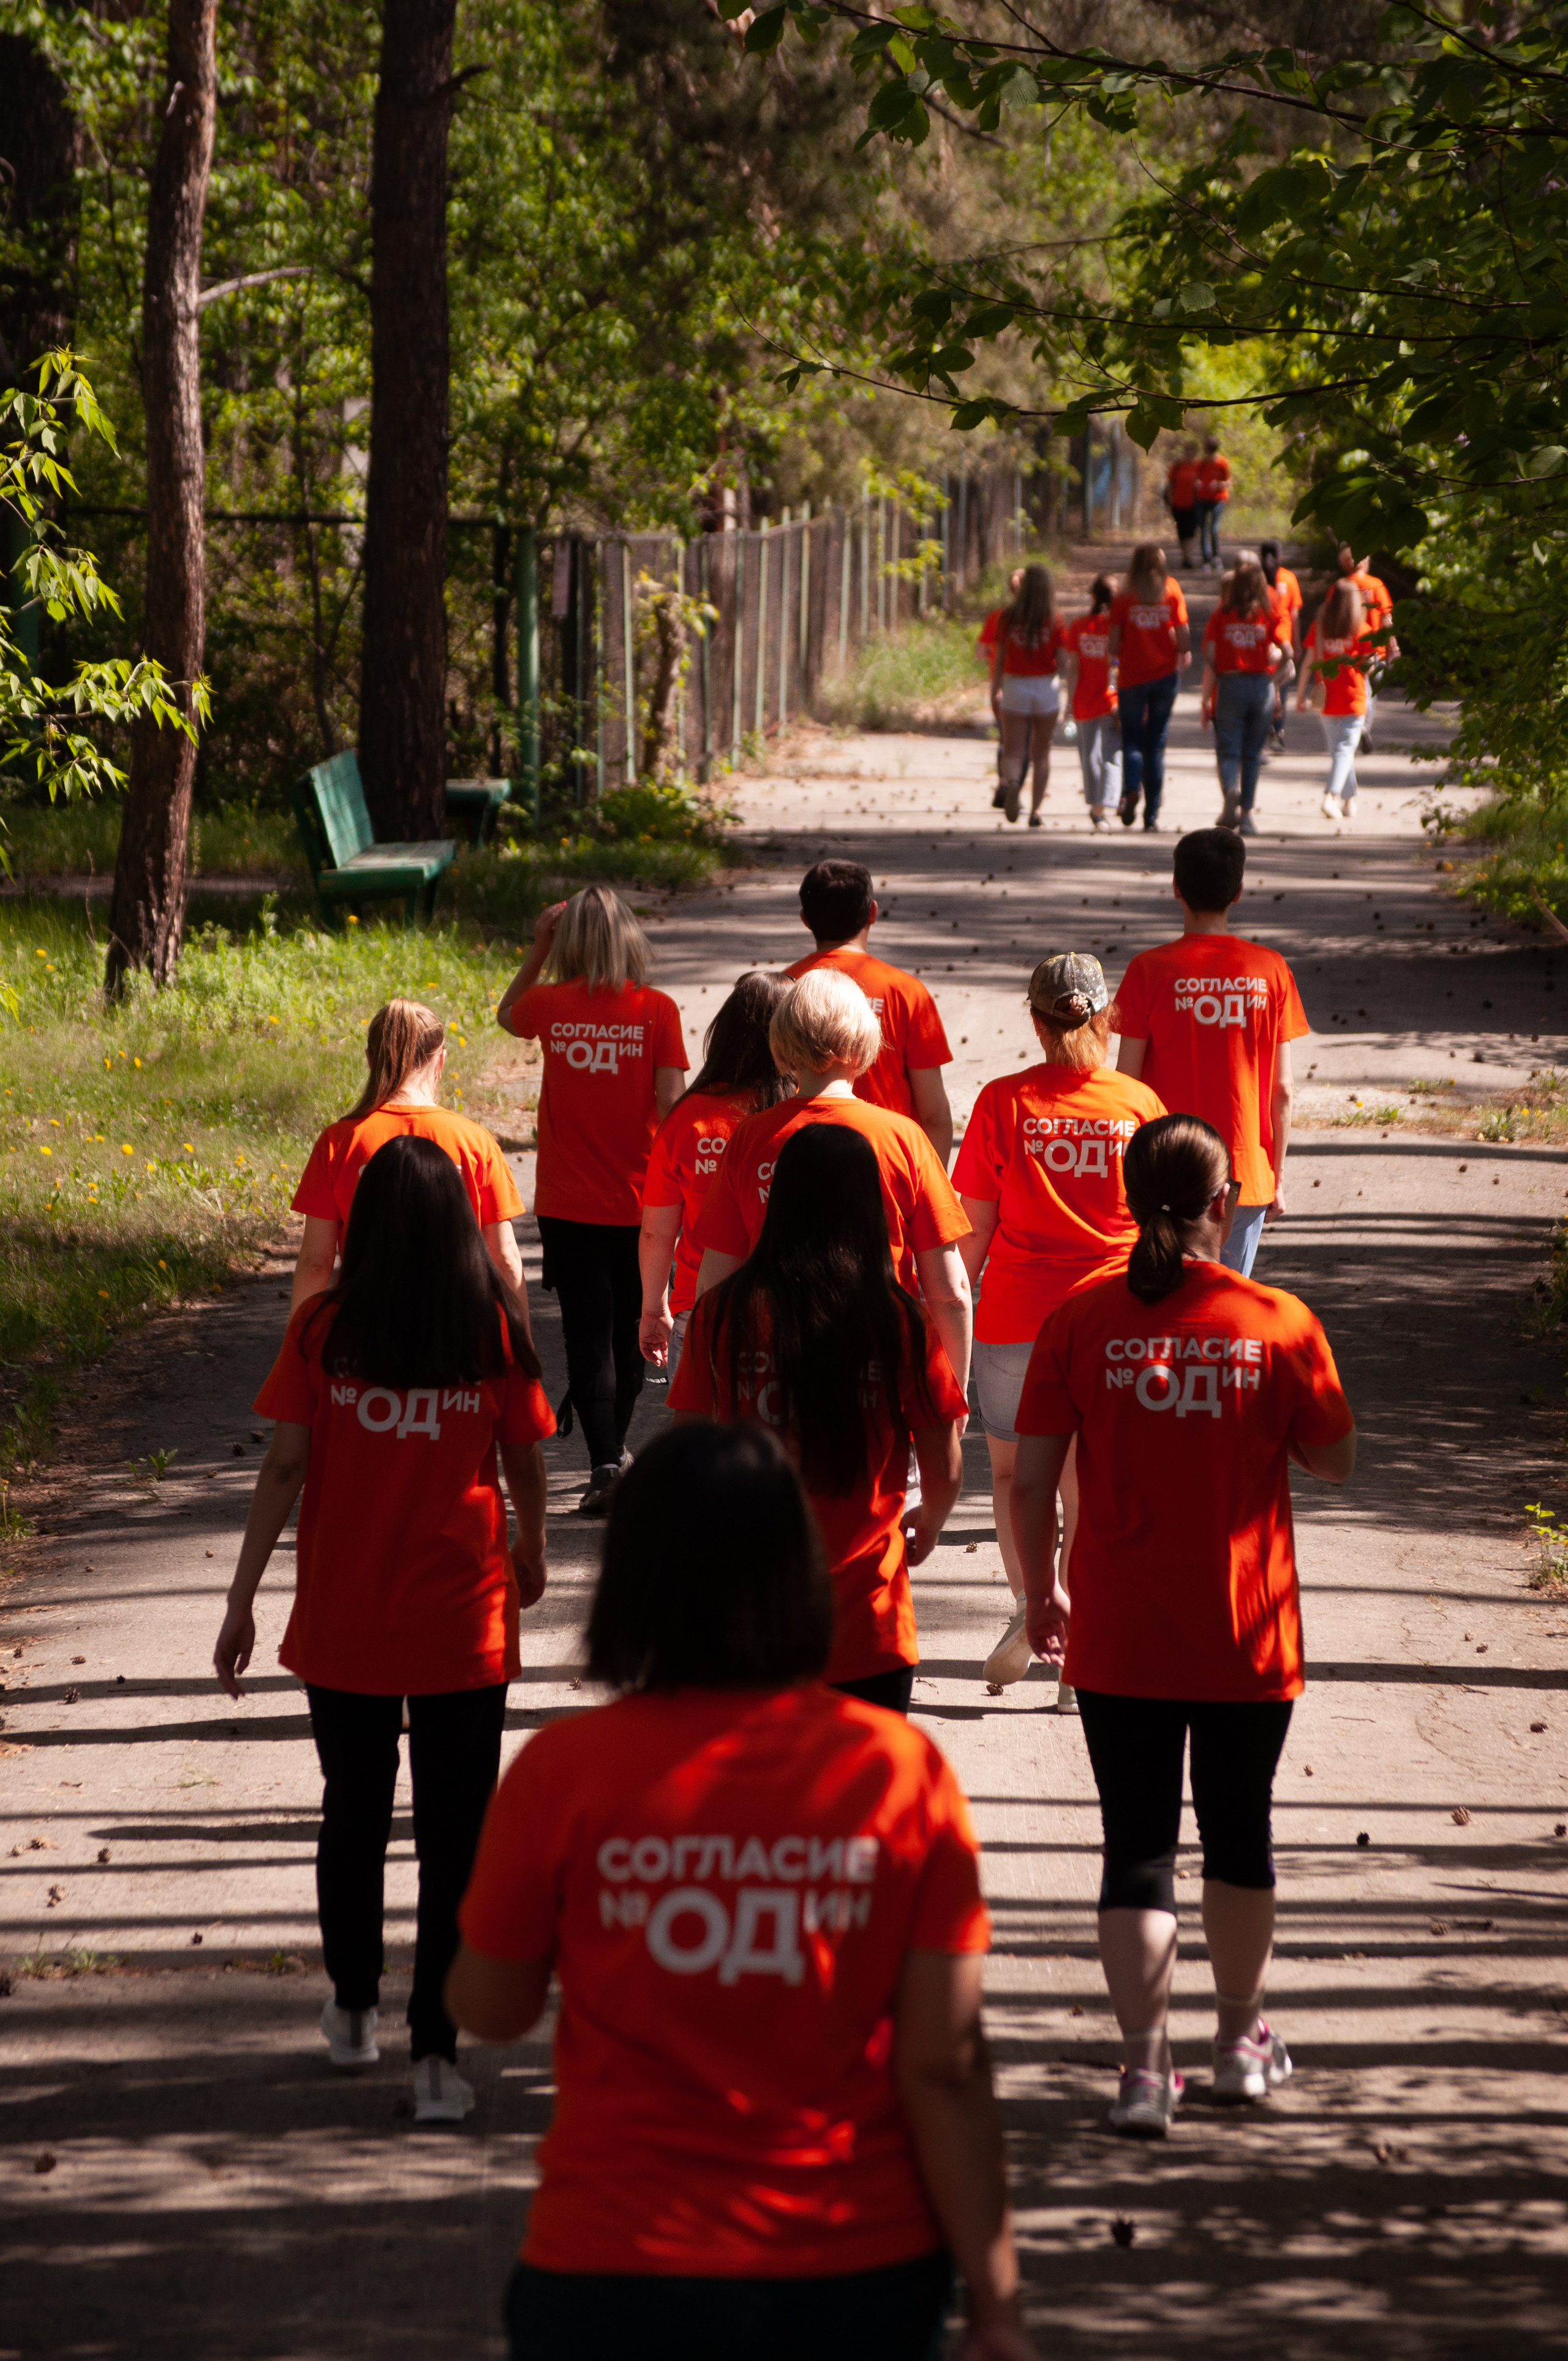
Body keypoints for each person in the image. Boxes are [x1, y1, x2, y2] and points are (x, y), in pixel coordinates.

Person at [448, 1424, 1036, 2361]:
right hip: (855, 2271)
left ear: (629, 1580)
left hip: (613, 2269)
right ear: (797, 1572)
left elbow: (490, 2006)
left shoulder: (564, 1771)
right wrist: (997, 2306)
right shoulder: (897, 1771)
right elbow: (946, 2065)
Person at [1009, 1114, 1355, 2138]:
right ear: (1223, 1203)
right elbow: (1336, 1459)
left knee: (1138, 1844)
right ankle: (1240, 2042)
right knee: (1240, 1830)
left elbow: (1030, 1480)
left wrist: (1040, 1590)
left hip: (1120, 1630)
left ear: (1127, 1199)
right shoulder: (1277, 1317)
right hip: (1247, 1627)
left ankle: (1142, 2069)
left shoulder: (1079, 1319)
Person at [213, 1136, 552, 2123]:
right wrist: (531, 1545)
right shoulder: (492, 1328)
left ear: (363, 1227)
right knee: (456, 1837)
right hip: (463, 1622)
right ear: (457, 1224)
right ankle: (437, 2056)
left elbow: (285, 1464)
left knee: (353, 1813)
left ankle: (356, 2006)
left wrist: (241, 1597)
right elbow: (525, 1458)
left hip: (347, 1617)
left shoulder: (324, 1328)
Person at [671, 1125, 966, 1712]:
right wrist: (930, 1522)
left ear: (779, 1200)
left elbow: (687, 1454)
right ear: (870, 1207)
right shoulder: (902, 1323)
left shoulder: (720, 1314)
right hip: (870, 1620)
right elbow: (945, 1463)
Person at [952, 955, 1164, 1713]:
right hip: (1111, 1324)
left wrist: (944, 1314)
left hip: (1017, 1319)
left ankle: (1031, 1604)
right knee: (1085, 1490)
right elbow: (1160, 1225)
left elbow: (972, 1230)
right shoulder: (1138, 1103)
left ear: (1036, 1021)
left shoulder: (1002, 1101)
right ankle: (1078, 1648)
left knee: (1014, 1476)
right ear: (1105, 1018)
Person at [497, 884, 688, 1514]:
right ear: (629, 936)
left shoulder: (549, 1004)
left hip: (567, 1201)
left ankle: (606, 1458)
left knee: (587, 1332)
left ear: (570, 940)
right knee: (635, 1326)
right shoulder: (656, 1009)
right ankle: (613, 1452)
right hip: (643, 1201)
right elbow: (671, 1103)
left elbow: (506, 1014)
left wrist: (538, 946)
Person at [690, 969, 973, 1394]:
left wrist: (715, 1387)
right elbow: (950, 1292)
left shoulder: (749, 1139)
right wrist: (953, 1395)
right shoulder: (904, 1139)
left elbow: (714, 1283)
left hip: (773, 1366)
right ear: (863, 1043)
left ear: (783, 1041)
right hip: (880, 1363)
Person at [1115, 828, 1308, 1281]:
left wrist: (1124, 1176)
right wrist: (1276, 1176)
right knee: (1225, 1303)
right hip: (1244, 1173)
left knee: (1160, 1300)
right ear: (1237, 892)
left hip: (1163, 1172)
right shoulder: (1270, 969)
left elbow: (1126, 1087)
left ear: (1176, 888)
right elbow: (1282, 1089)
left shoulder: (1148, 971)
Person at [289, 999, 525, 1315]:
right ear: (441, 1062)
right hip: (458, 1324)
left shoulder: (338, 1142)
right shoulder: (476, 1142)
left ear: (370, 1060)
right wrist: (522, 1339)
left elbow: (315, 1264)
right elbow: (505, 1259)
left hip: (365, 1323)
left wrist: (299, 1338)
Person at [639, 970, 791, 1384]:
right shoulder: (806, 1114)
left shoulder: (688, 1118)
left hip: (702, 1306)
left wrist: (653, 1309)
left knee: (706, 1427)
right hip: (794, 1306)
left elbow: (656, 1232)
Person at [786, 858, 954, 1160]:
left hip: (795, 1161)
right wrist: (933, 1181)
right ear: (873, 912)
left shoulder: (782, 988)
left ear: (805, 919)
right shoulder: (906, 992)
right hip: (886, 1161)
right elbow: (934, 1115)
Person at [1199, 554, 1289, 836]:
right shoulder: (1269, 613)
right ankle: (1247, 816)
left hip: (1230, 684)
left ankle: (1231, 789)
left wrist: (1220, 669)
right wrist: (1275, 676)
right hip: (1261, 685)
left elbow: (1209, 651)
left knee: (1228, 749)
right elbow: (1287, 650)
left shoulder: (1221, 614)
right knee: (1252, 754)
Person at [1107, 543, 1189, 833]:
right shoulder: (1171, 591)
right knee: (1155, 744)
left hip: (1131, 678)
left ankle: (1131, 789)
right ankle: (1151, 815)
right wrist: (1173, 645)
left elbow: (1113, 645)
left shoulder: (1124, 597)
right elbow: (1184, 639)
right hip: (1164, 676)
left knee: (1132, 740)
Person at [987, 563, 1061, 828]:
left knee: (1013, 750)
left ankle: (1013, 782)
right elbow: (1063, 660)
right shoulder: (1054, 619)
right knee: (1041, 752)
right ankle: (1036, 811)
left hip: (1015, 685)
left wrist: (995, 689)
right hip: (1045, 687)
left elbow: (999, 658)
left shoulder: (1007, 617)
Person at [1298, 578, 1374, 829]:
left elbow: (1309, 660)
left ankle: (1350, 800)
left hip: (1327, 700)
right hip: (1354, 699)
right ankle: (1330, 796)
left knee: (1340, 751)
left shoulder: (1320, 627)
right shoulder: (1362, 629)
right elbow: (1369, 668)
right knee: (1344, 751)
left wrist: (1300, 694)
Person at [1058, 576, 1121, 831]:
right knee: (1112, 756)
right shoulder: (1118, 629)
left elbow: (1073, 667)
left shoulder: (1079, 627)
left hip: (1084, 700)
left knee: (1090, 758)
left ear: (1092, 596)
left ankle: (1097, 809)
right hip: (1112, 701)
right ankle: (1104, 806)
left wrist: (1070, 704)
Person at [1335, 545, 1398, 750]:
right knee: (1370, 690)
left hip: (1347, 649)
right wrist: (1393, 646)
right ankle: (1363, 726)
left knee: (1353, 688)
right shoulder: (1376, 585)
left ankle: (1353, 724)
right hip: (1374, 649)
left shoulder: (1341, 587)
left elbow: (1330, 617)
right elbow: (1386, 619)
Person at [978, 568, 1025, 807]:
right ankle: (1013, 785)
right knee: (1024, 741)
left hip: (1001, 683)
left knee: (1006, 738)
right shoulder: (1043, 618)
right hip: (1027, 683)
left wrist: (997, 658)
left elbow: (981, 651)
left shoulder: (999, 616)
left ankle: (1005, 784)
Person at [1258, 541, 1303, 755]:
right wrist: (1297, 643)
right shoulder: (1289, 578)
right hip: (1283, 641)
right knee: (1281, 691)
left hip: (1261, 642)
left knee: (1262, 689)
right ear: (1279, 557)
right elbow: (1294, 615)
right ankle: (1277, 732)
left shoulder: (1256, 579)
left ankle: (1263, 731)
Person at [1193, 434, 1231, 570]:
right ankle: (1206, 559)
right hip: (1202, 499)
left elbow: (1228, 481)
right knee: (1203, 529)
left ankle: (1216, 557)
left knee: (1214, 529)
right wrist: (1198, 483)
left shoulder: (1222, 463)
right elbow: (1196, 478)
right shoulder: (1201, 463)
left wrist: (1219, 484)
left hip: (1218, 499)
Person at [1164, 444, 1200, 570]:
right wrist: (1170, 500)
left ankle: (1188, 558)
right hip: (1178, 504)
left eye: (1192, 452)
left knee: (1191, 532)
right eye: (1188, 451)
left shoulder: (1199, 466)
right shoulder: (1178, 466)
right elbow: (1170, 484)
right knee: (1182, 531)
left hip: (1193, 505)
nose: (1190, 454)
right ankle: (1185, 556)